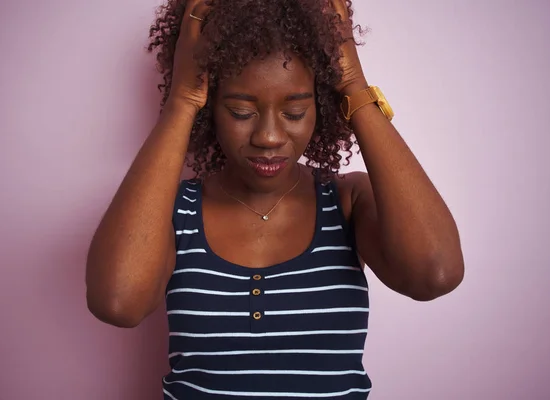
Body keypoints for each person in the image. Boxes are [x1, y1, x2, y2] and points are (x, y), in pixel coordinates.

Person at [85, 0, 465, 397]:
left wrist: (353, 85)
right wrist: (181, 101)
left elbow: (434, 274)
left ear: (320, 106)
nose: (268, 136)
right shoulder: (174, 210)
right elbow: (117, 302)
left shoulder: (348, 200)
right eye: (241, 111)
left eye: (295, 111)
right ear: (210, 105)